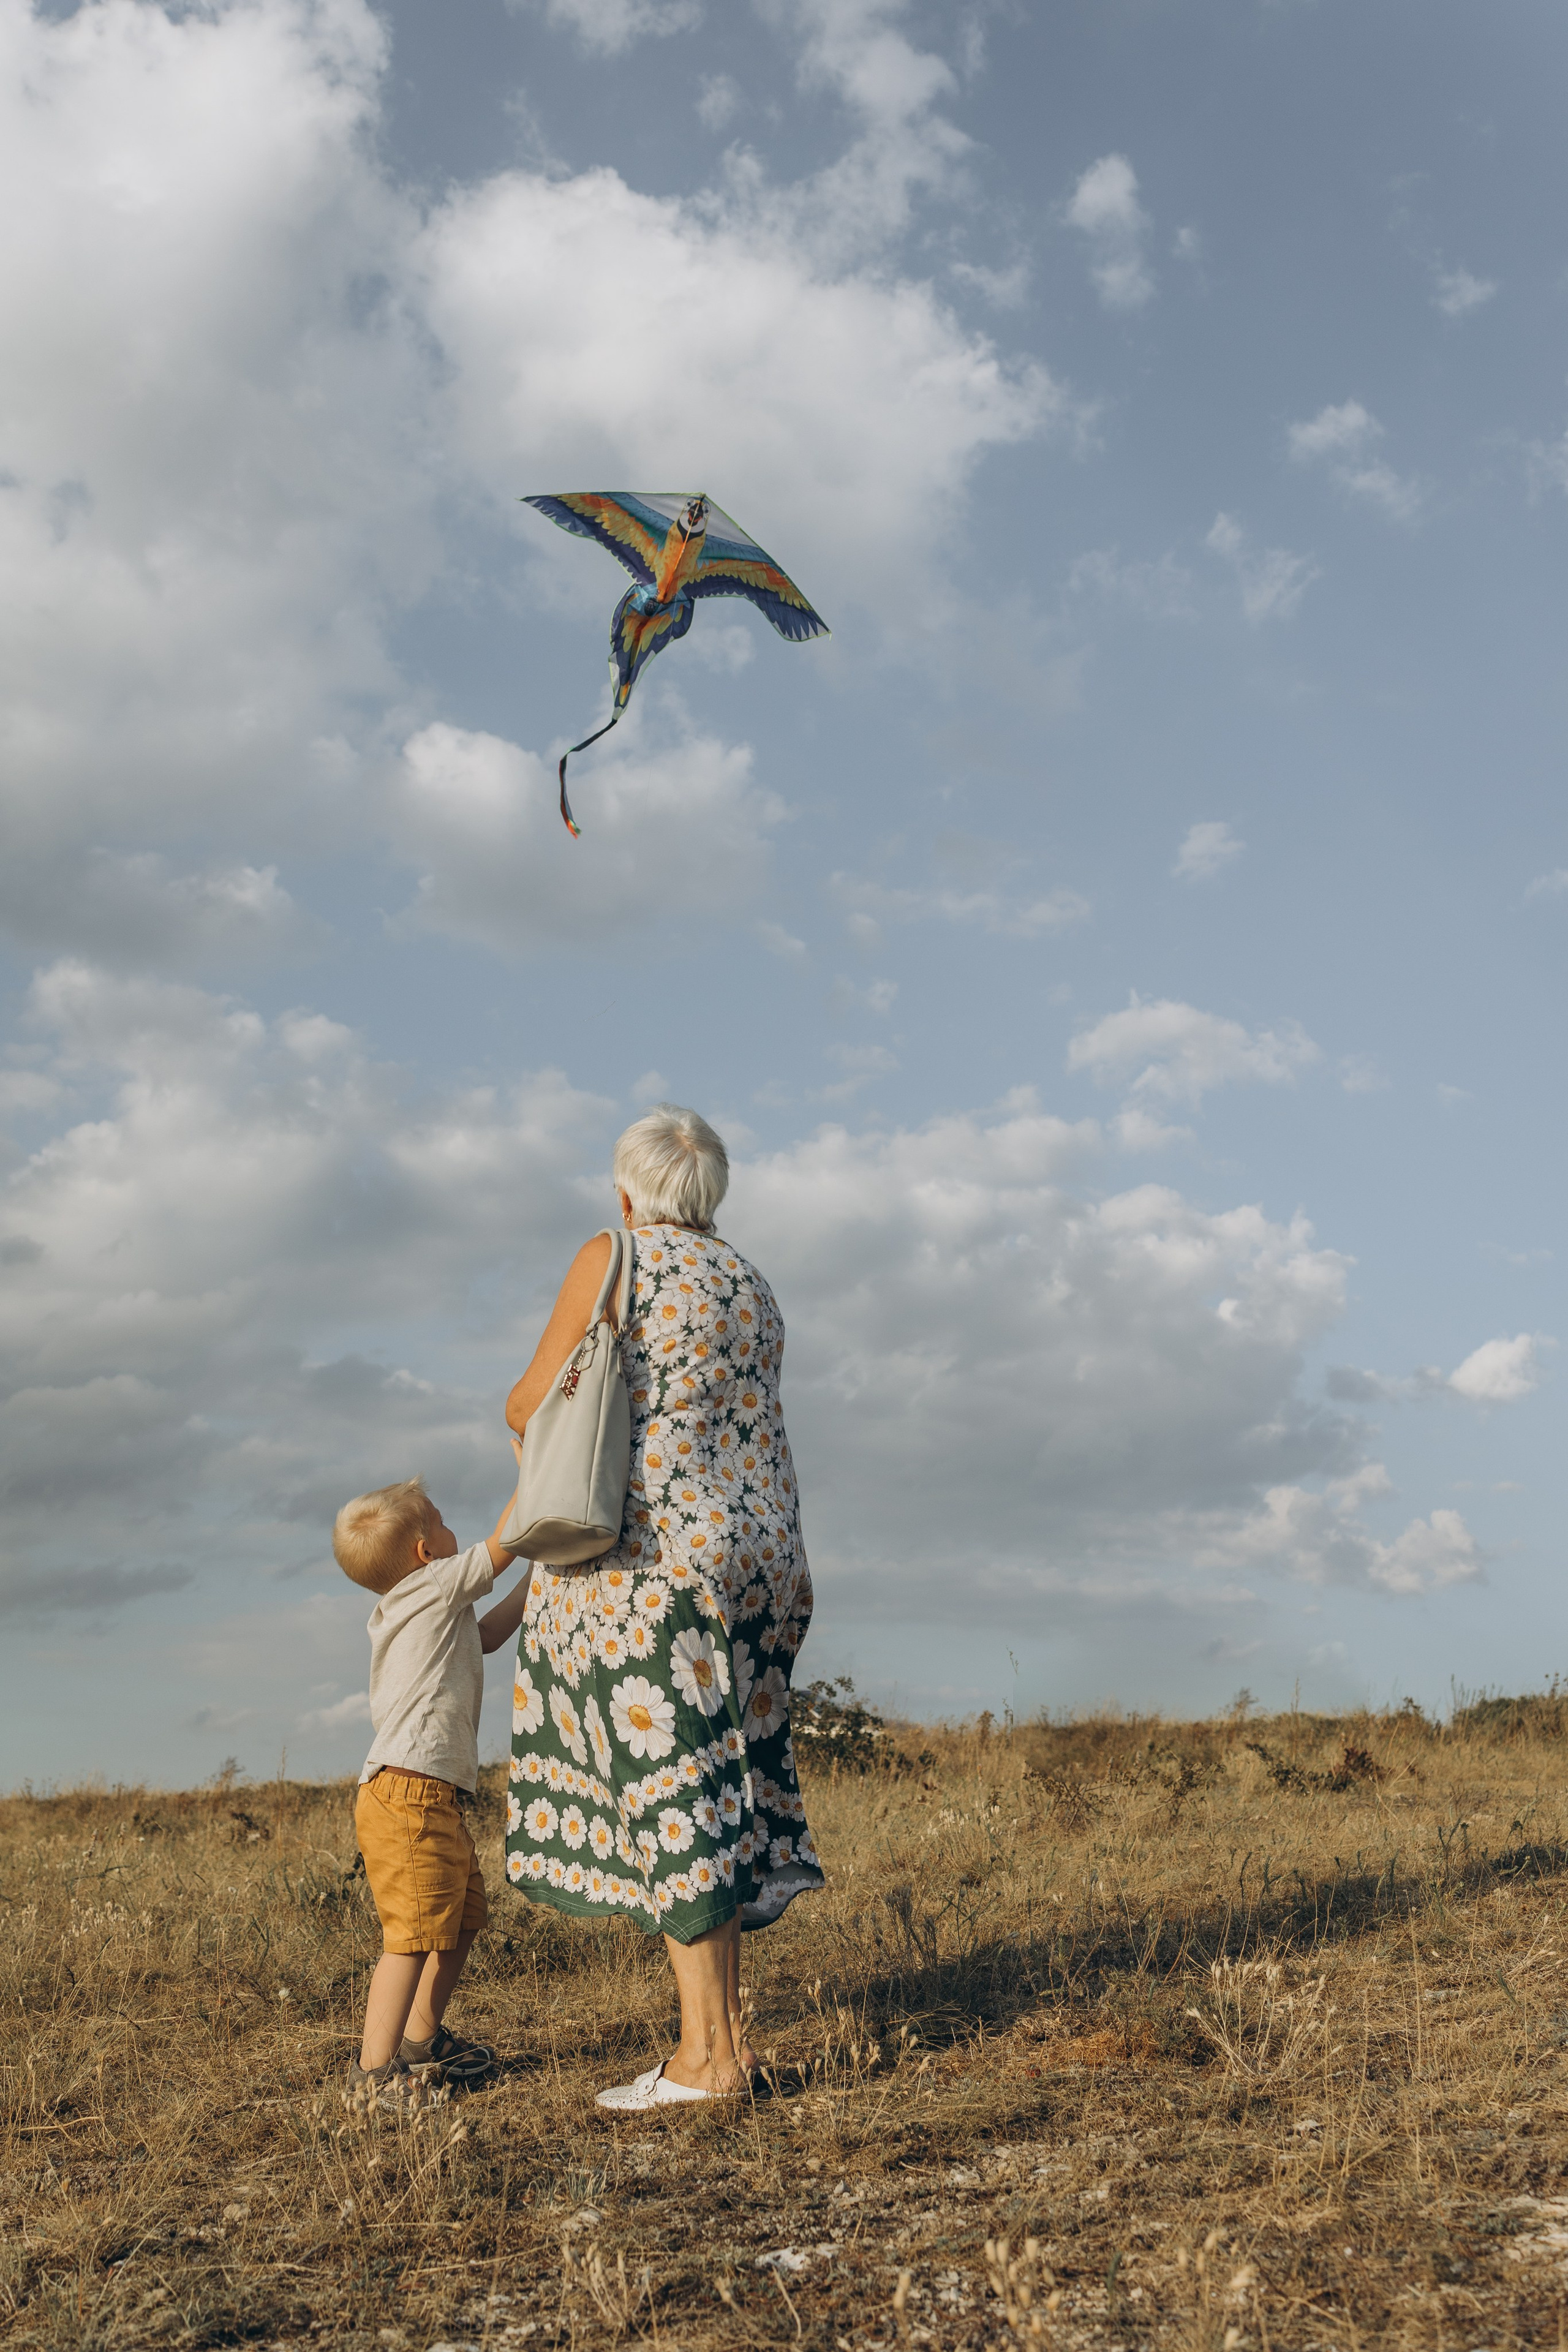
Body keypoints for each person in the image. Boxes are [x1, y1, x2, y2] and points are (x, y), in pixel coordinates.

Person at [501, 1103, 823, 2113]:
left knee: (676, 1793)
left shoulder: (615, 1254)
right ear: (712, 1193)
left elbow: (530, 1403)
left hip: (657, 1568)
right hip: (762, 1562)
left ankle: (708, 2061)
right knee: (721, 1793)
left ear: (627, 1189)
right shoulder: (751, 1283)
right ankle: (715, 2044)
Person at [333, 1472, 527, 2110]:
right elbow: (505, 1541)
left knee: (461, 1921)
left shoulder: (429, 1605)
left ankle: (421, 2044)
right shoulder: (434, 1587)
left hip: (425, 1797)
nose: (452, 1529)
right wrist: (539, 1464)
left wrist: (545, 1585)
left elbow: (491, 1637)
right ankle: (374, 2075)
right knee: (410, 1938)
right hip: (406, 1797)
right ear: (425, 1551)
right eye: (441, 1520)